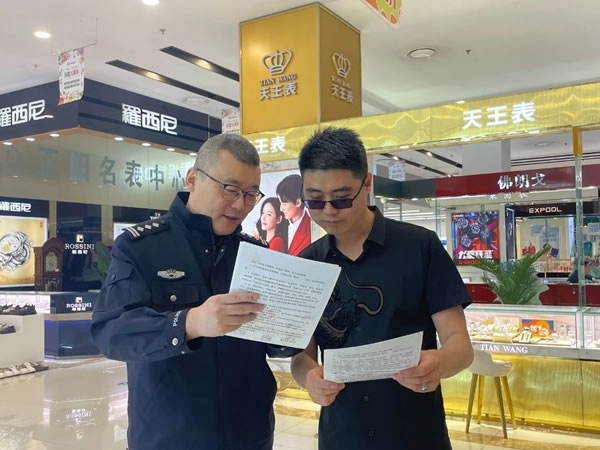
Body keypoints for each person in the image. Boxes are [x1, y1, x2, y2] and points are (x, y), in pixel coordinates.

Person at [91, 134, 298, 450]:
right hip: (171, 435)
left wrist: (292, 326)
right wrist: (189, 323)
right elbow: (112, 332)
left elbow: (272, 344)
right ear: (192, 179)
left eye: (250, 194)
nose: (240, 205)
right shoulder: (141, 247)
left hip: (249, 433)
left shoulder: (255, 253)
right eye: (229, 189)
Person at [290, 127, 474, 450]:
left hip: (417, 436)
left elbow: (461, 346)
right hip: (342, 436)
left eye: (342, 198)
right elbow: (301, 356)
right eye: (315, 200)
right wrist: (309, 378)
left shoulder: (420, 247)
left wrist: (439, 362)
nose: (329, 210)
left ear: (367, 184)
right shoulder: (306, 265)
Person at [276, 174, 311, 256]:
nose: (281, 209)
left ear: (298, 202)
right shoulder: (278, 224)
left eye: (284, 204)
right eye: (280, 203)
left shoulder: (311, 230)